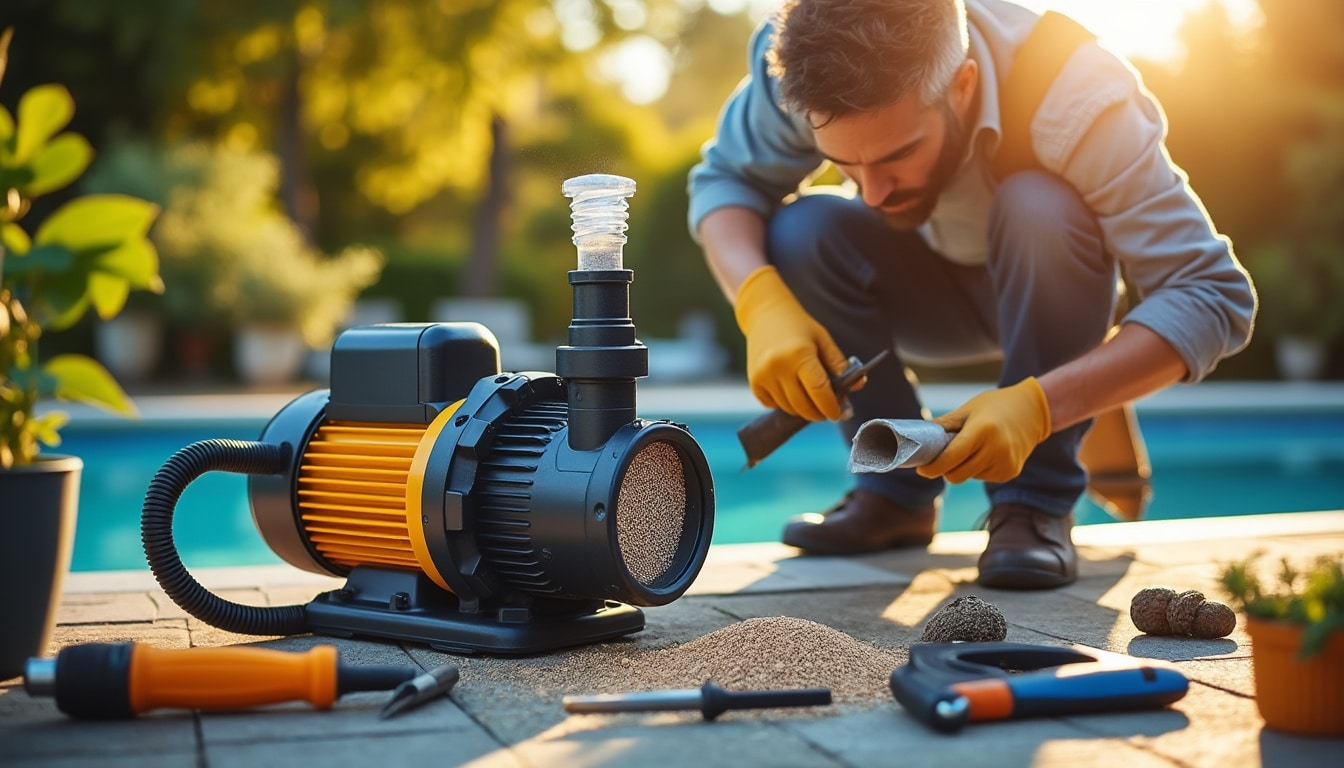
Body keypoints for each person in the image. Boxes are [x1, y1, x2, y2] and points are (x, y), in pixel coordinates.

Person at [686, 0, 1256, 589]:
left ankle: (1033, 503)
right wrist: (759, 300)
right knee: (800, 231)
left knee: (1039, 206)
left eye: (898, 153)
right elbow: (726, 182)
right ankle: (894, 491)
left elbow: (1212, 294)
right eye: (843, 163)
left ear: (963, 84)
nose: (873, 193)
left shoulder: (1076, 89)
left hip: (1051, 293)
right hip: (920, 300)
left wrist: (1041, 407)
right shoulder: (792, 64)